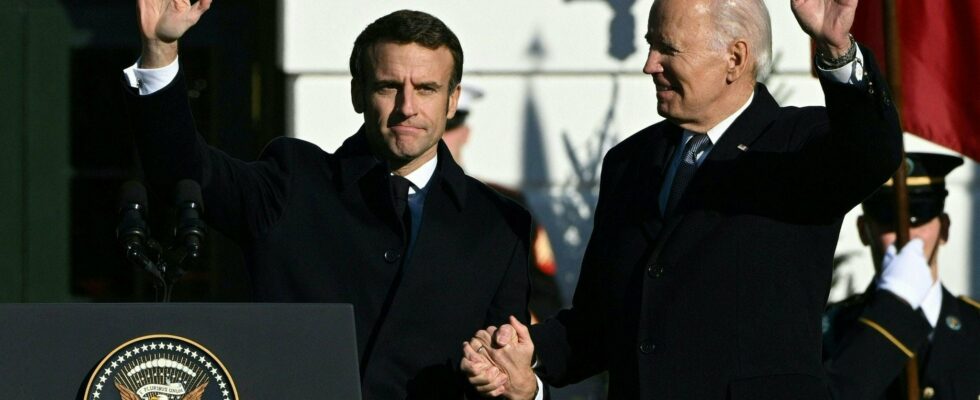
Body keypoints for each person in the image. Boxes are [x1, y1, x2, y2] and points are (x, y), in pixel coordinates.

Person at [461, 0, 903, 398]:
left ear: (735, 58)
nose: (650, 65)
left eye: (668, 49)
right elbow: (601, 323)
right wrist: (530, 351)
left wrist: (837, 53)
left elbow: (871, 154)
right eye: (651, 45)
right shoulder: (630, 162)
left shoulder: (797, 146)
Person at [124, 2, 531, 398]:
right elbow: (183, 172)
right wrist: (159, 52)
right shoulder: (291, 183)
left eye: (426, 89)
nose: (407, 108)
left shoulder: (498, 224)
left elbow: (504, 365)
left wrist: (509, 382)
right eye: (389, 86)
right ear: (358, 93)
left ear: (452, 99)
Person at [823, 153, 980, 399]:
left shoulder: (975, 326)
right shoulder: (829, 330)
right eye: (888, 218)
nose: (906, 233)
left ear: (945, 228)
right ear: (864, 231)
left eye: (921, 215)